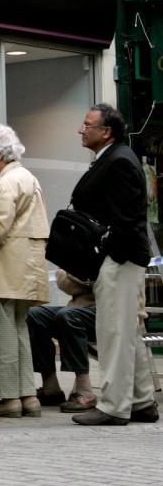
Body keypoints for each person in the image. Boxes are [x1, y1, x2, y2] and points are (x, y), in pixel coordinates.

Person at [69, 103, 158, 426]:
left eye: (87, 124)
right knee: (127, 331)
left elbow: (127, 219)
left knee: (113, 333)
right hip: (121, 257)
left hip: (120, 258)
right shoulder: (114, 157)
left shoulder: (118, 160)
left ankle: (113, 406)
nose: (81, 129)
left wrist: (106, 251)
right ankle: (142, 400)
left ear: (106, 131)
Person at [0, 124, 49, 419]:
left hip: (6, 266)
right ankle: (28, 395)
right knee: (19, 330)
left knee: (1, 331)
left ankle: (8, 398)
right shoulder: (29, 177)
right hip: (28, 265)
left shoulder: (5, 183)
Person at [28, 269, 96, 411]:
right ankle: (51, 388)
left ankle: (85, 391)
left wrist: (77, 278)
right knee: (34, 315)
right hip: (78, 310)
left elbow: (107, 282)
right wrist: (88, 281)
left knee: (68, 316)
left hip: (110, 312)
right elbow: (63, 281)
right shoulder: (79, 250)